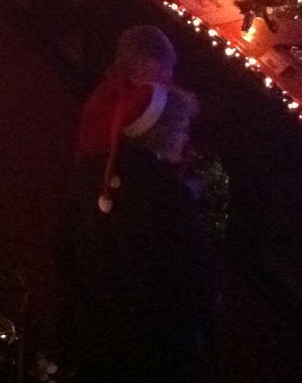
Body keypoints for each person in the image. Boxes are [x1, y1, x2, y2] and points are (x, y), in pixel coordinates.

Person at [57, 83, 218, 383]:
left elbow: (65, 251)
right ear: (164, 134)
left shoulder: (91, 171)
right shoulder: (170, 196)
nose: (186, 139)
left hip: (91, 326)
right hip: (147, 342)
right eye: (182, 129)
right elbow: (194, 282)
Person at [73, 25, 177, 161]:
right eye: (161, 72)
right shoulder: (128, 100)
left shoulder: (112, 86)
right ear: (142, 66)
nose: (167, 78)